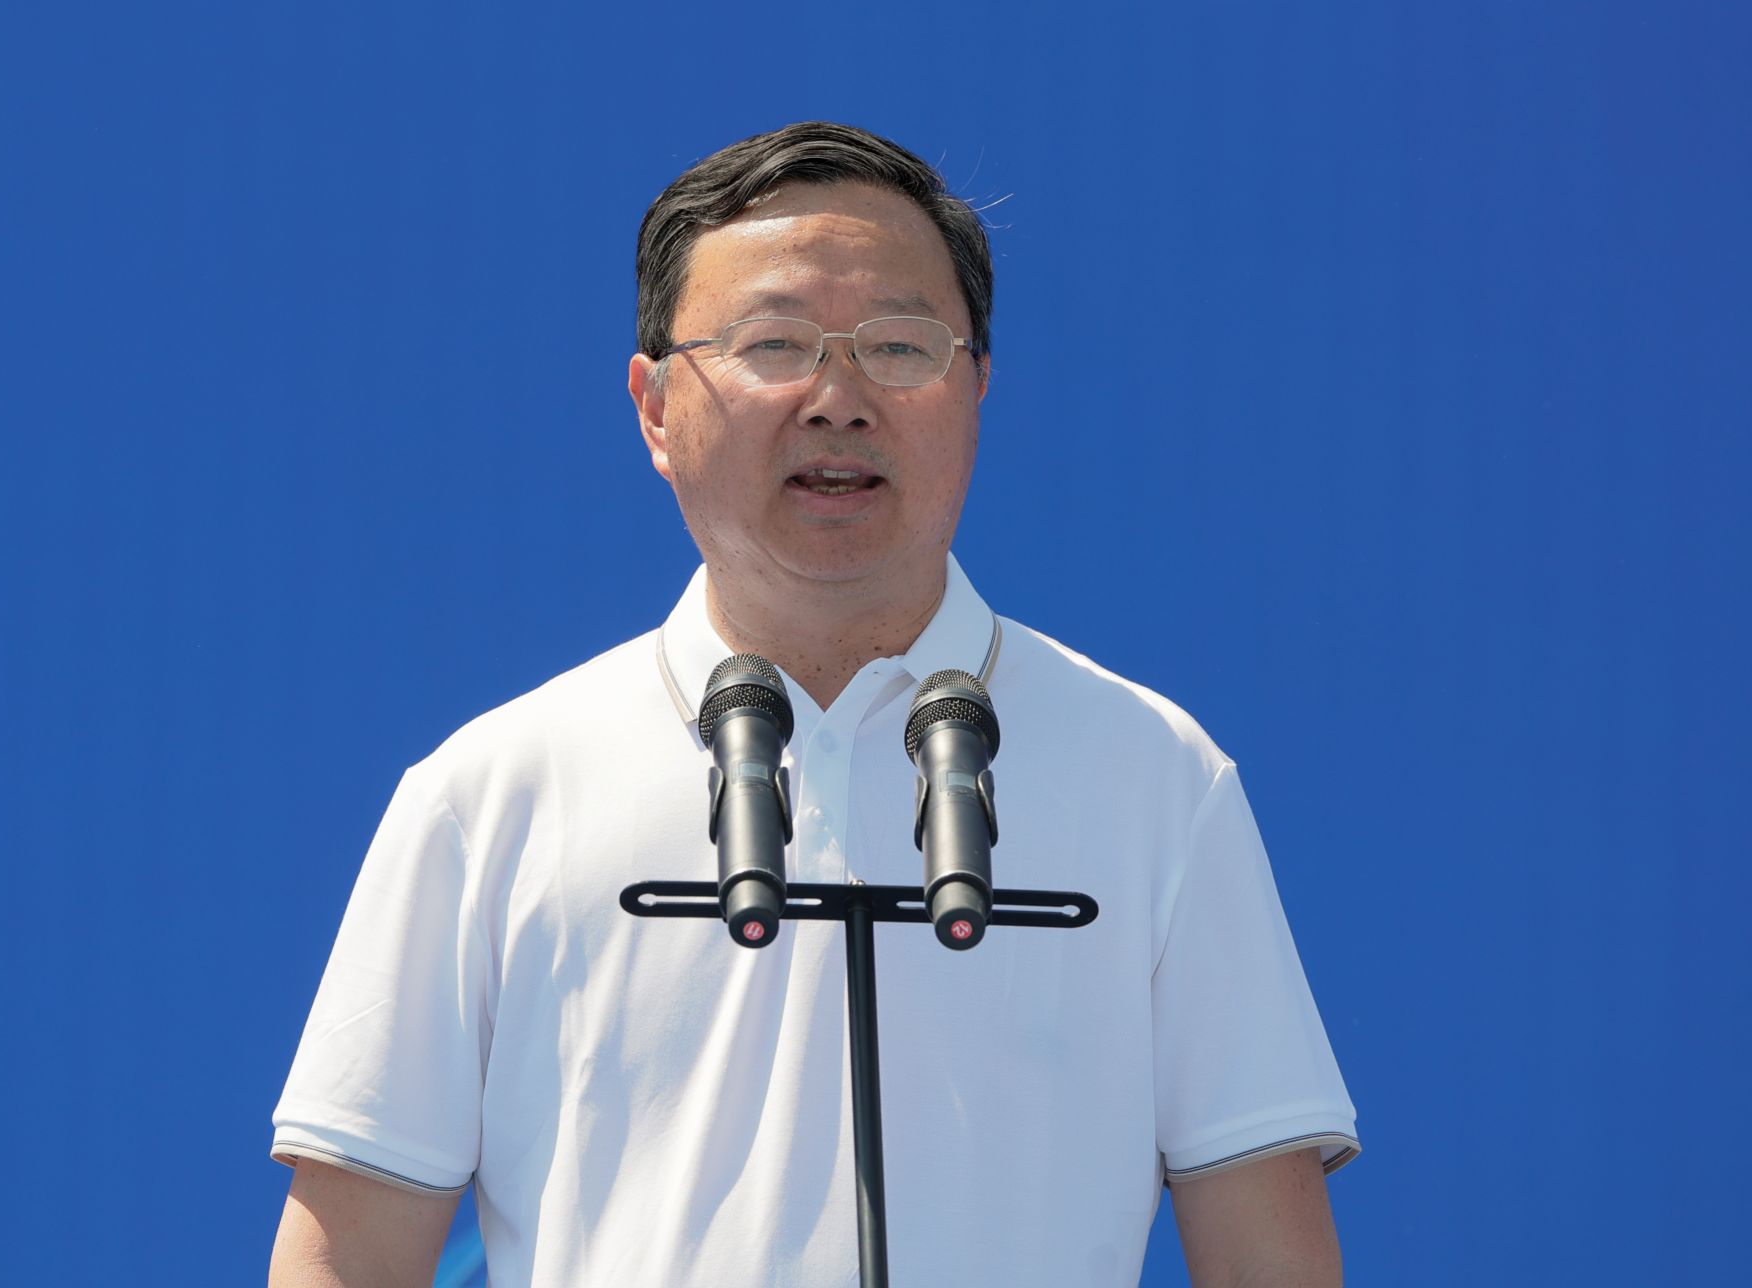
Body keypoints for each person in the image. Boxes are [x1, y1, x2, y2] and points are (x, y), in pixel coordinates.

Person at [268, 121, 1358, 1288]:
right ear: (653, 407)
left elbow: (1268, 1255)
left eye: (898, 346)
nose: (838, 399)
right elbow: (347, 1257)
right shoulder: (494, 794)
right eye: (773, 343)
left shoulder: (1150, 776)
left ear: (977, 388)